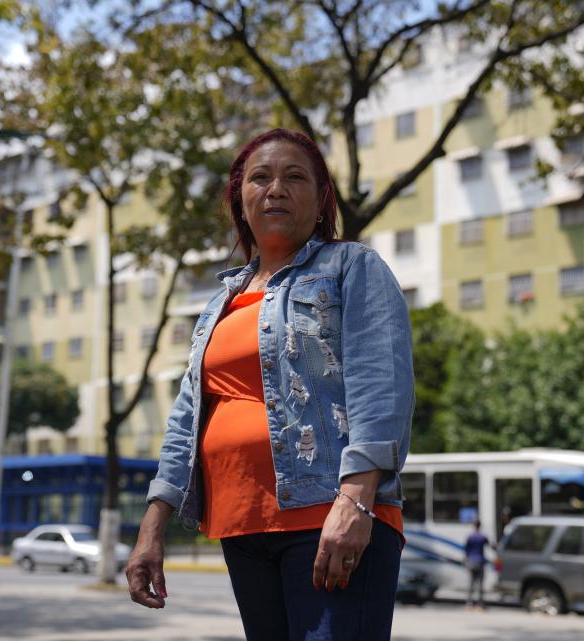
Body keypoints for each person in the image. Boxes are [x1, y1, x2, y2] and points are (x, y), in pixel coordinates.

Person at [126, 128, 415, 641]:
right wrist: (153, 526)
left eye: (294, 176)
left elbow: (381, 387)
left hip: (328, 516)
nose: (276, 188)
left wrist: (355, 502)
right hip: (242, 527)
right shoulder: (219, 304)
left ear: (322, 196)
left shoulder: (352, 267)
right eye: (261, 177)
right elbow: (186, 418)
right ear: (241, 198)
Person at [464, 520, 490, 608]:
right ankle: (480, 603)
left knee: (471, 583)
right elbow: (489, 545)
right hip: (480, 561)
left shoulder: (470, 537)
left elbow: (466, 550)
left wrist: (466, 559)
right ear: (480, 526)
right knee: (480, 583)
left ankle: (469, 602)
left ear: (474, 526)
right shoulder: (482, 537)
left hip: (471, 561)